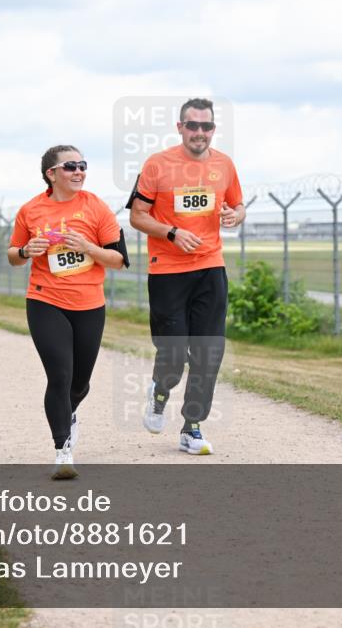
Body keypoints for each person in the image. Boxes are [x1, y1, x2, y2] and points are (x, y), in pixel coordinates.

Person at [127, 98, 245, 455]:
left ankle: (192, 427)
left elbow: (238, 205)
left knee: (209, 352)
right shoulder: (157, 164)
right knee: (174, 353)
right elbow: (137, 216)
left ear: (213, 129)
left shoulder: (224, 164)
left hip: (210, 267)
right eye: (192, 125)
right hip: (168, 271)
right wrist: (172, 233)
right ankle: (160, 391)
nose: (199, 132)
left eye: (206, 126)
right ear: (180, 128)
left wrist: (236, 215)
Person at [9, 145, 128, 479]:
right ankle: (63, 450)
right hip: (45, 300)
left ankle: (69, 412)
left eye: (82, 166)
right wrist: (25, 250)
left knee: (79, 383)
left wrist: (87, 247)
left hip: (89, 304)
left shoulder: (96, 207)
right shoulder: (31, 210)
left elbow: (119, 260)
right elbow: (13, 256)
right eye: (71, 166)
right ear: (51, 174)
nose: (79, 172)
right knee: (59, 376)